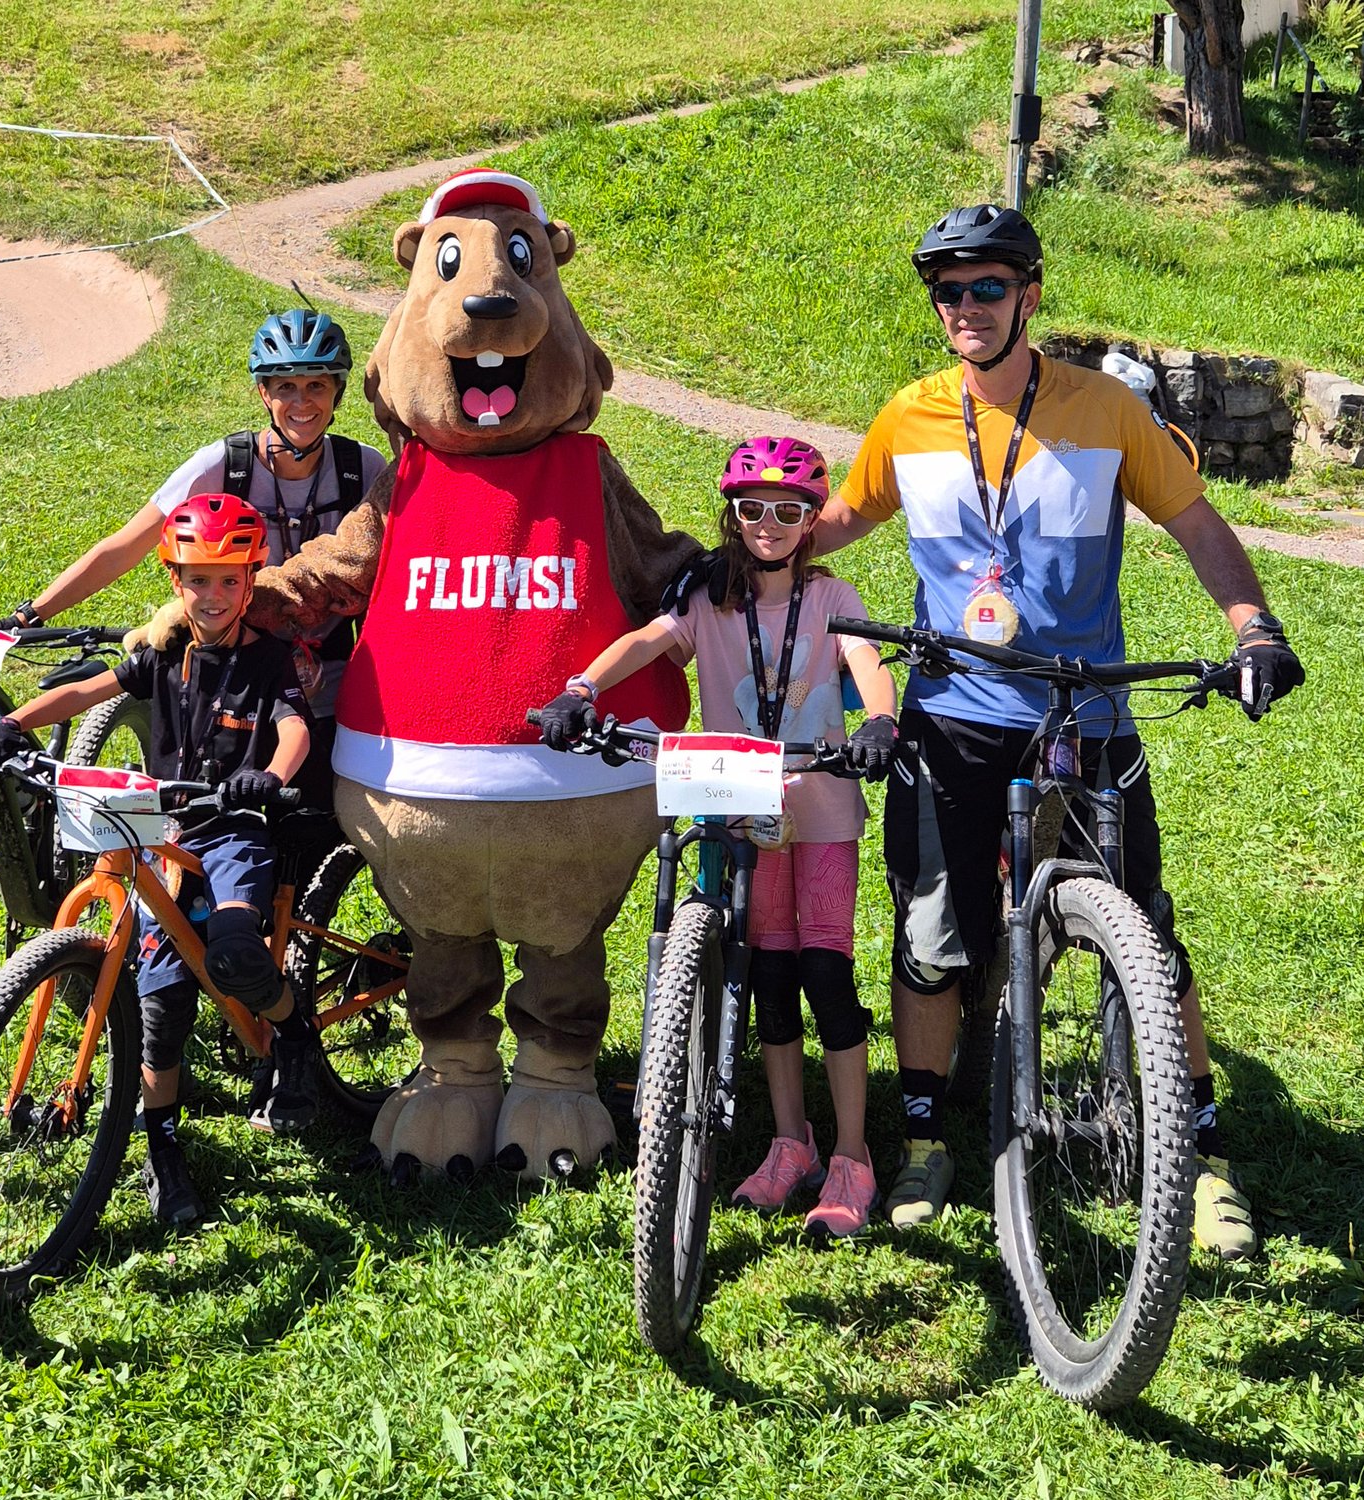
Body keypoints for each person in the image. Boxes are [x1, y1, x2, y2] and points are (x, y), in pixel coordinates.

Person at [812, 203, 1305, 1258]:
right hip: (951, 715)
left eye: (987, 288)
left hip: (1083, 711)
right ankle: (922, 1140)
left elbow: (1194, 522)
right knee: (932, 937)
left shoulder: (1105, 410)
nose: (966, 308)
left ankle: (1204, 1157)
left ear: (1029, 296)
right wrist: (741, 556)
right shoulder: (907, 416)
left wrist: (1253, 628)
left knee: (1148, 936)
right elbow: (842, 518)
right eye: (948, 292)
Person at [541, 437, 900, 1237]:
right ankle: (790, 1142)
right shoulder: (708, 598)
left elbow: (867, 660)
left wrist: (881, 719)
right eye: (752, 509)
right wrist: (581, 689)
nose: (769, 524)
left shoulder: (831, 595)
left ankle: (853, 1155)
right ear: (732, 516)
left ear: (811, 522)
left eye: (789, 512)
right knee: (767, 973)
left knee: (825, 972)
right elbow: (648, 641)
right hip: (741, 808)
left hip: (821, 810)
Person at [0, 495, 317, 1227]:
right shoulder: (161, 655)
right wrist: (13, 724)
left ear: (251, 580)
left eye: (229, 580)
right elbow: (84, 690)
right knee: (159, 1009)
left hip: (235, 832)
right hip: (167, 837)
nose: (213, 595)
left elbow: (294, 730)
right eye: (198, 580)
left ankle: (293, 1034)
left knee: (234, 953)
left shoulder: (267, 658)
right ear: (174, 580)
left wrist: (270, 777)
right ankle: (163, 1154)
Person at [0, 309, 388, 808]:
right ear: (263, 393)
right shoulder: (226, 465)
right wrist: (29, 615)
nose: (301, 402)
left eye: (316, 385)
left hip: (333, 687)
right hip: (233, 684)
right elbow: (124, 546)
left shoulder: (361, 468)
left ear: (338, 392)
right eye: (285, 387)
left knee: (319, 828)